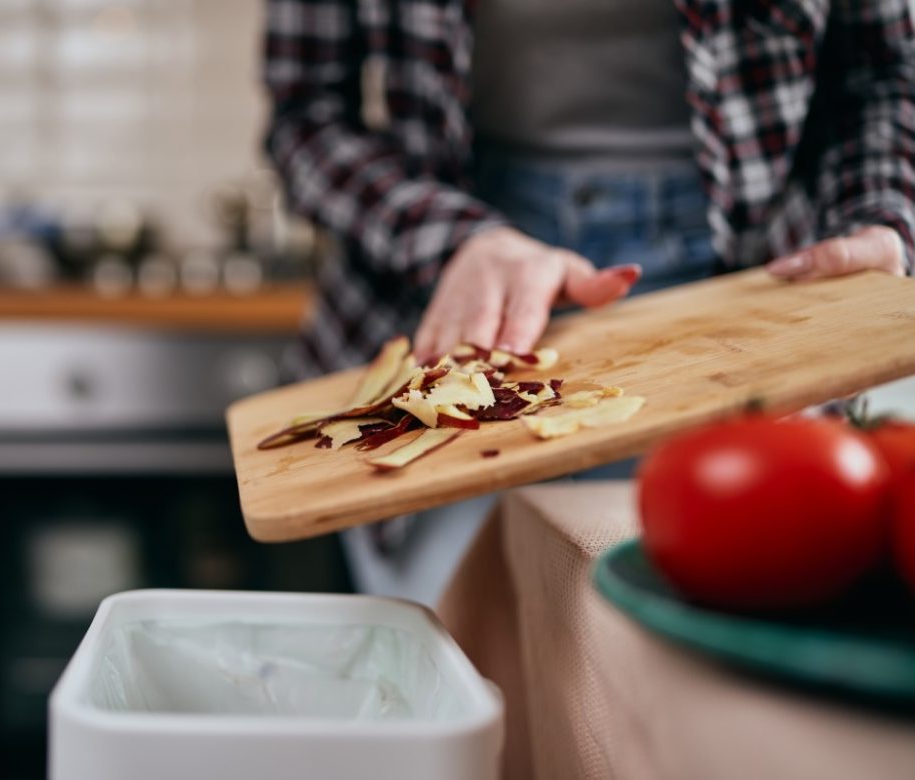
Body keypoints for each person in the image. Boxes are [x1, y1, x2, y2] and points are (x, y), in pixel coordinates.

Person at [263, 0, 914, 603]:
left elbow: (886, 76)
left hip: (759, 287)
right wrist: (453, 239)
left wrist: (884, 216)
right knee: (456, 645)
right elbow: (306, 119)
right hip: (443, 280)